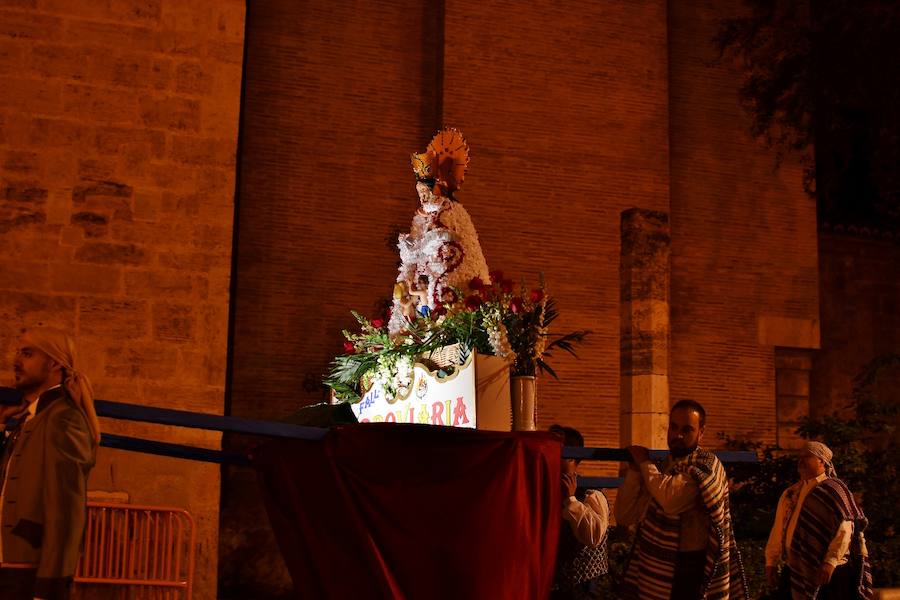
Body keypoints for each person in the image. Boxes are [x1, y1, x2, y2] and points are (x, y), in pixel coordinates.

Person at [0, 328, 100, 600]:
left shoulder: (63, 419)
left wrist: (49, 589)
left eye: (27, 353)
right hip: (9, 569)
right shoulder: (28, 419)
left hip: (29, 575)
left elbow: (66, 513)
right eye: (18, 352)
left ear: (54, 363)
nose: (16, 361)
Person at [615, 399, 747, 600]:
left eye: (687, 430)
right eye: (673, 427)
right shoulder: (662, 469)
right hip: (656, 564)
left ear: (701, 432)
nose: (677, 435)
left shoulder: (707, 466)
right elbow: (625, 515)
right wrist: (635, 472)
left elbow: (671, 500)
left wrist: (644, 463)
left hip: (693, 566)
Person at [764, 441, 872, 599]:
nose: (800, 461)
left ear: (822, 460)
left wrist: (830, 563)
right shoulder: (791, 493)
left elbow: (844, 531)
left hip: (829, 572)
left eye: (807, 456)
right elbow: (778, 528)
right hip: (794, 569)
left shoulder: (835, 491)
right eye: (799, 457)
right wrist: (771, 562)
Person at [549, 425, 609, 600]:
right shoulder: (549, 491)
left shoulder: (591, 493)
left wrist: (571, 501)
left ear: (571, 456)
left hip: (582, 588)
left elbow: (594, 536)